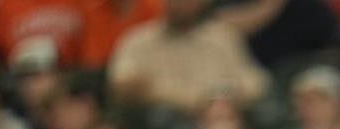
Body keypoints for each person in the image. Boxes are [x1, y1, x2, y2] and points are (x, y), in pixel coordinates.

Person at [107, 0, 268, 114]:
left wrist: (227, 100)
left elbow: (254, 82)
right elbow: (122, 82)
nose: (179, 3)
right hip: (171, 125)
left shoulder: (223, 36)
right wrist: (195, 102)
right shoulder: (138, 41)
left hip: (225, 117)